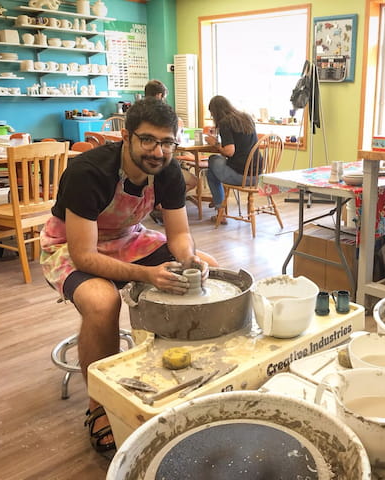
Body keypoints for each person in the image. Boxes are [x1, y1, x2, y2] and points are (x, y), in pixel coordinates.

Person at [39, 98, 218, 457]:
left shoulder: (166, 169)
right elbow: (84, 255)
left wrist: (187, 258)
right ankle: (99, 405)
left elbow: (179, 234)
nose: (158, 151)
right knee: (103, 301)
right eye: (148, 140)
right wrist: (148, 275)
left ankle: (178, 373)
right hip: (69, 245)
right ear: (126, 137)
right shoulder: (88, 172)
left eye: (168, 142)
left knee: (203, 263)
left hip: (126, 238)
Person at [144, 79, 197, 225]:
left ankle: (155, 203)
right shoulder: (165, 117)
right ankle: (163, 205)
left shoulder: (139, 114)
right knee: (193, 180)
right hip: (162, 167)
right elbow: (177, 140)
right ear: (160, 96)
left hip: (142, 170)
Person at [204, 95, 261, 224]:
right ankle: (219, 206)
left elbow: (229, 151)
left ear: (216, 112)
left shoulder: (225, 122)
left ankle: (220, 210)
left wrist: (215, 143)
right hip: (257, 174)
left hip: (242, 176)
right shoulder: (246, 118)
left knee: (212, 160)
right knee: (211, 172)